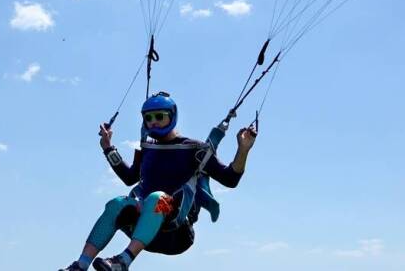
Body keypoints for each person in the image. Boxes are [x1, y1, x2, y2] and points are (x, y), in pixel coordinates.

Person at [59, 92, 257, 271]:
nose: (153, 122)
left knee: (157, 198)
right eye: (148, 118)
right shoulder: (148, 148)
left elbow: (230, 179)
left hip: (176, 234)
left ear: (172, 116)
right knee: (116, 204)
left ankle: (123, 261)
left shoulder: (195, 149)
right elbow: (129, 178)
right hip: (146, 231)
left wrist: (243, 150)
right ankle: (81, 265)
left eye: (159, 117)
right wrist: (108, 148)